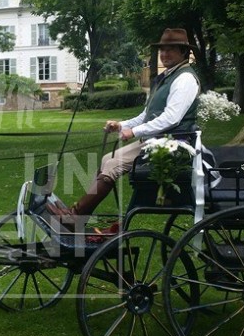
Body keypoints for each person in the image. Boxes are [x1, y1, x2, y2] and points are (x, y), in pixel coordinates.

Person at [48, 28, 200, 221]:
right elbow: (146, 115)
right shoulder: (168, 77)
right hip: (156, 141)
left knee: (111, 165)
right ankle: (79, 215)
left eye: (171, 49)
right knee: (106, 160)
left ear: (183, 52)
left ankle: (75, 216)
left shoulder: (185, 78)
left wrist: (133, 132)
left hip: (172, 146)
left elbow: (171, 119)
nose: (164, 54)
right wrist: (121, 125)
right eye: (162, 49)